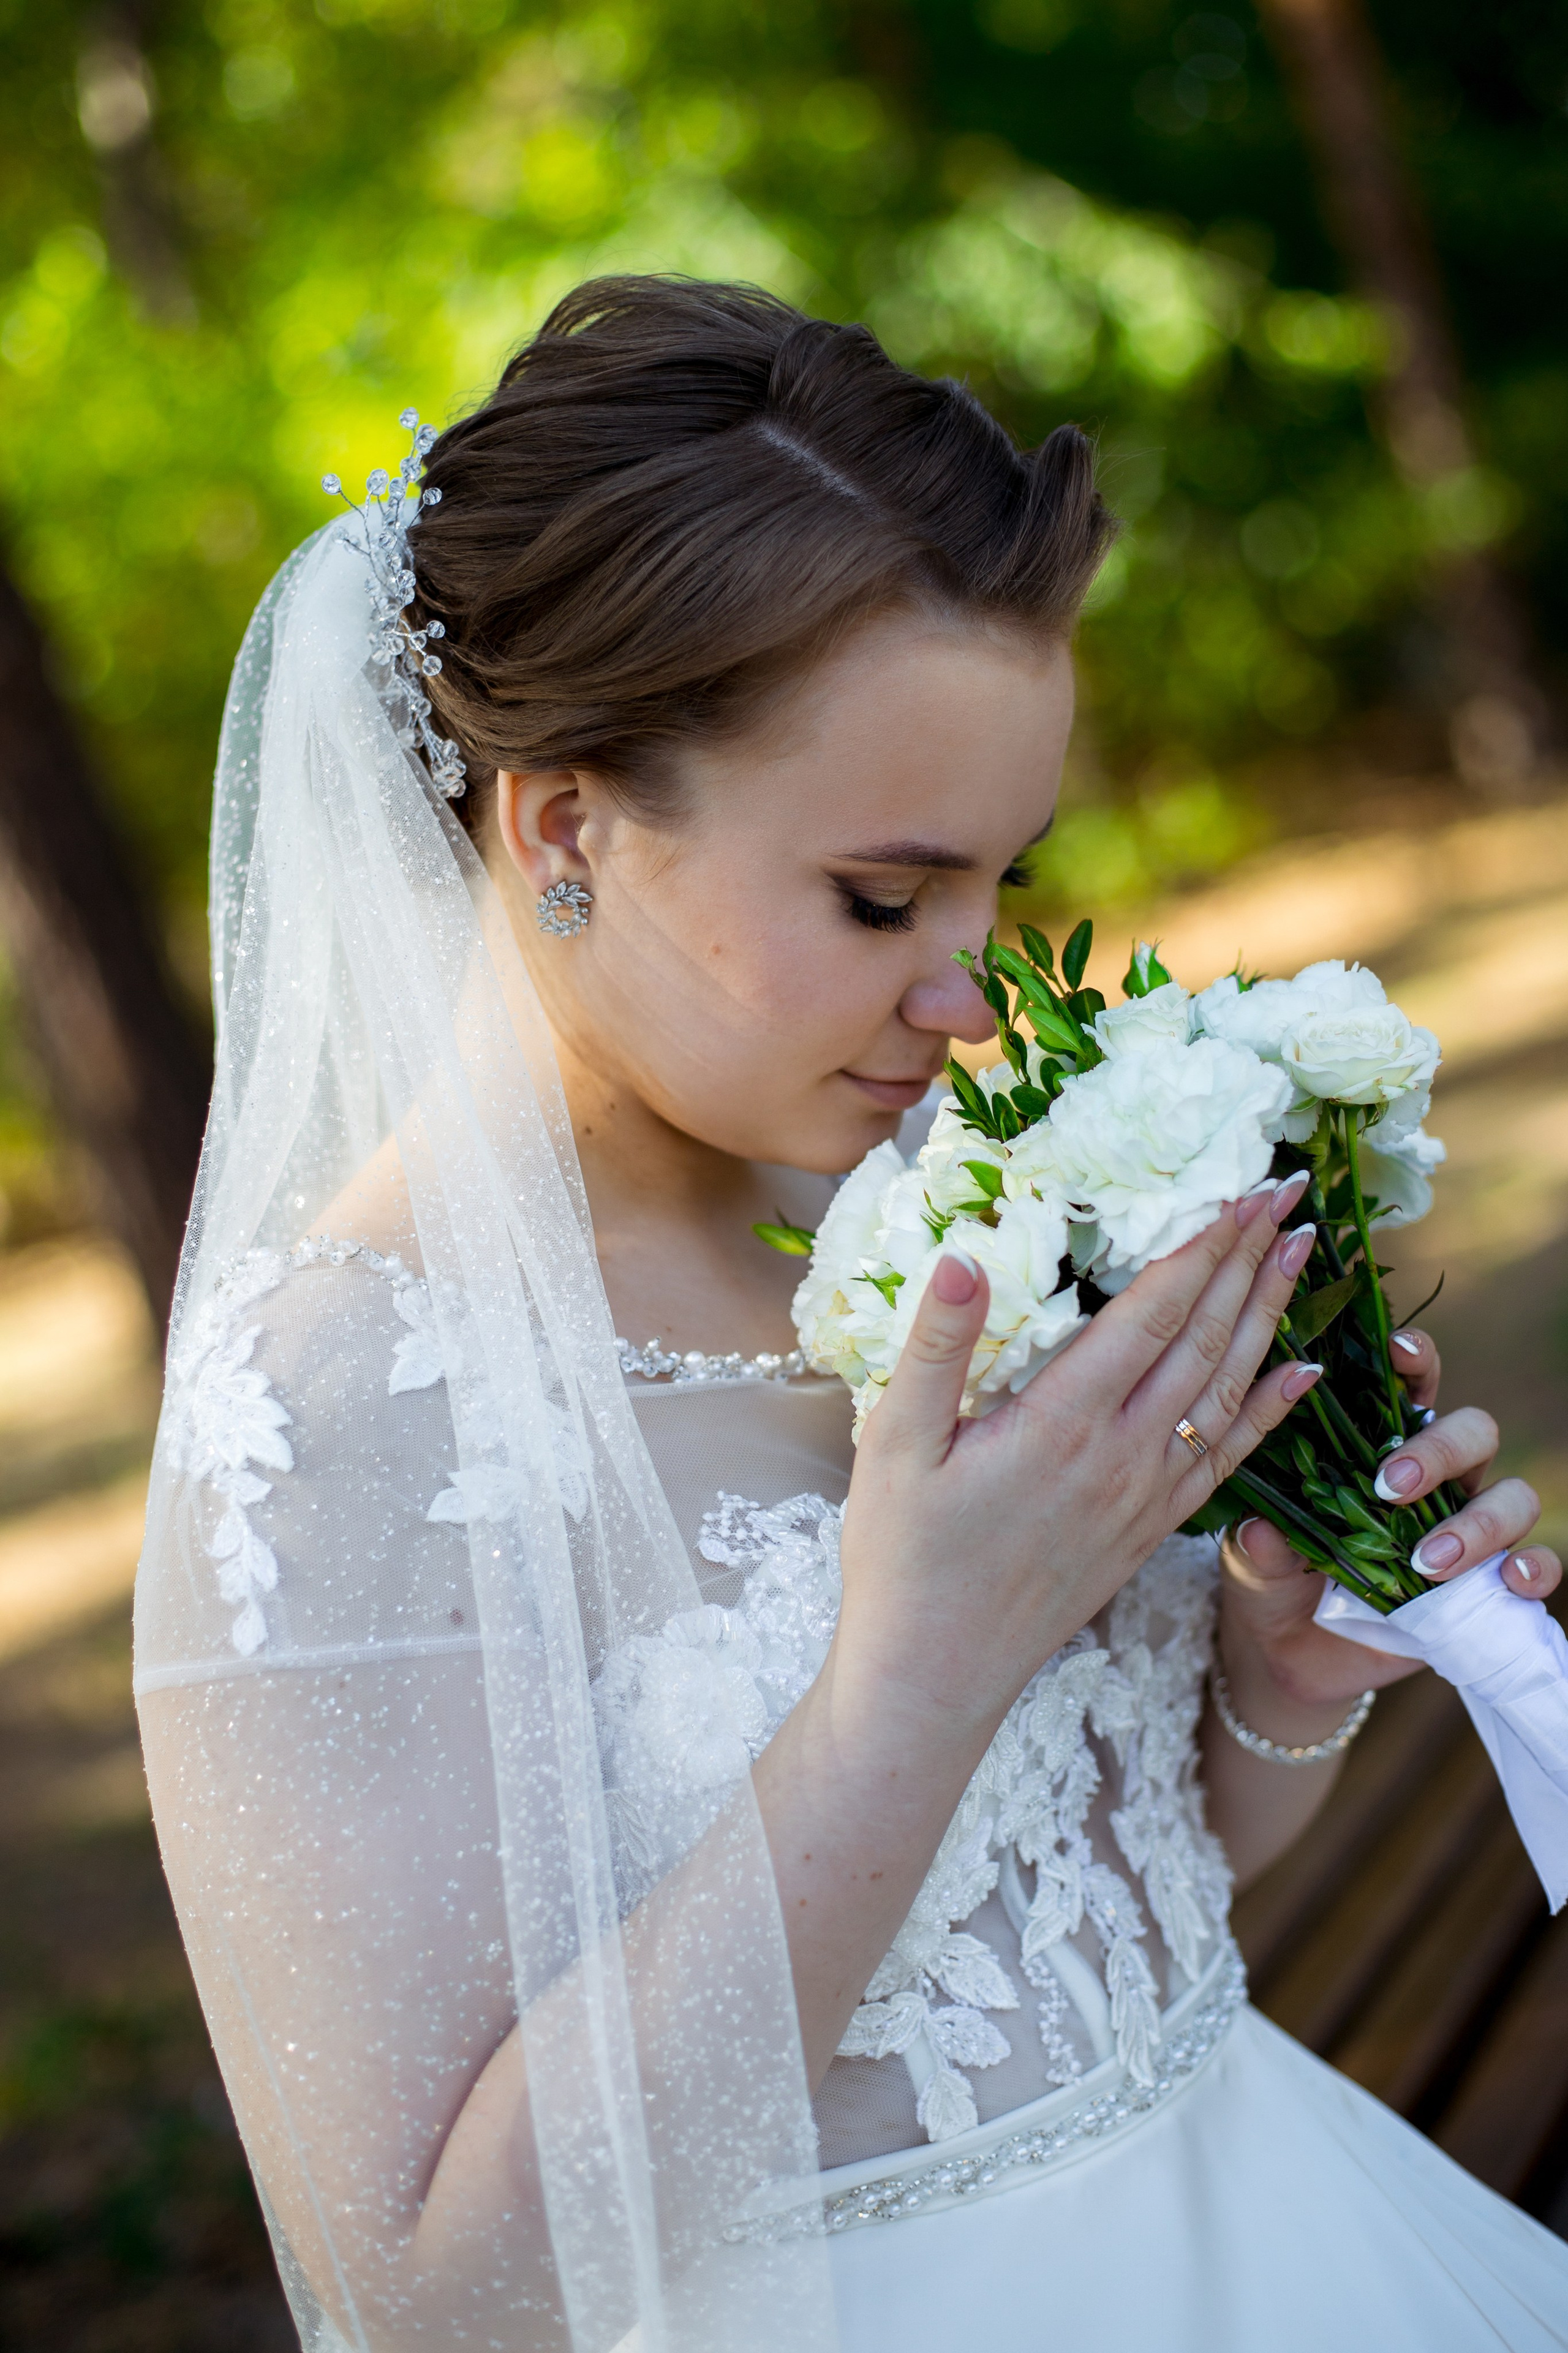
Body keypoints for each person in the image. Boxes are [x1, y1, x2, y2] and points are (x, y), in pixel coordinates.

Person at [135, 277, 1568, 2353]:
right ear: (566, 831)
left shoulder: (905, 1229)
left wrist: (1286, 1660)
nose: (972, 992)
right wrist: (923, 1669)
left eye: (999, 885)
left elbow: (1112, 1907)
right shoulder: (336, 1410)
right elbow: (437, 2297)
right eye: (884, 900)